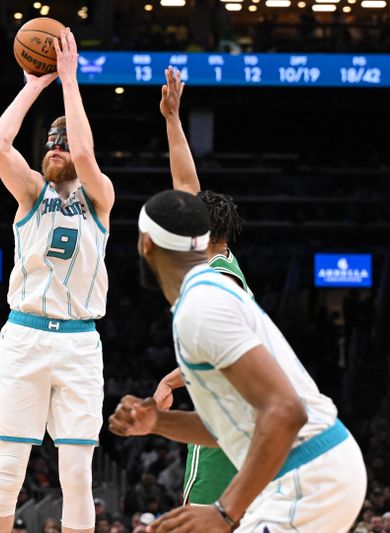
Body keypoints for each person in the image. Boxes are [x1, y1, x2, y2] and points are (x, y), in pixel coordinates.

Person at [109, 189, 366, 532]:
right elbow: (229, 430)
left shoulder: (201, 307)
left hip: (306, 475)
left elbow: (287, 411)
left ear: (146, 244)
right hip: (312, 471)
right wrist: (156, 422)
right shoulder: (205, 294)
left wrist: (224, 512)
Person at [0, 28, 115, 533]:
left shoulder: (100, 195)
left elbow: (85, 156)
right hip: (25, 335)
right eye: (50, 143)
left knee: (77, 475)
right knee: (8, 470)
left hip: (80, 343)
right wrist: (35, 86)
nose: (57, 149)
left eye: (64, 143)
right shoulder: (31, 193)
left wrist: (69, 81)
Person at [151, 66, 250, 506]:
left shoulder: (215, 278)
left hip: (230, 412)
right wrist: (172, 119)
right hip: (248, 411)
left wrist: (173, 382)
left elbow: (220, 351)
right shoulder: (220, 262)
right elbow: (187, 186)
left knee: (197, 515)